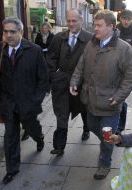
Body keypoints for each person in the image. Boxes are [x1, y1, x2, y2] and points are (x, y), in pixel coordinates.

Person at [70, 10, 132, 180]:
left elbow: (130, 77)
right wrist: (74, 82)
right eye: (94, 25)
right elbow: (80, 65)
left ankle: (104, 164)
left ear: (111, 27)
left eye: (99, 25)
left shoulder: (124, 49)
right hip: (90, 100)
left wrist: (119, 96)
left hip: (110, 103)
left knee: (106, 137)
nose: (95, 28)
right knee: (92, 126)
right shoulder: (91, 45)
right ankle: (113, 140)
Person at [0, 17, 48, 184]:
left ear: (21, 32)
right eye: (5, 31)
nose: (8, 35)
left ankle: (39, 137)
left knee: (32, 126)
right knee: (10, 137)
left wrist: (36, 100)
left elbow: (43, 79)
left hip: (28, 102)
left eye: (12, 32)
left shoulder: (34, 50)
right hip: (7, 102)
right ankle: (12, 169)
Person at [46, 9, 93, 156]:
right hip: (61, 83)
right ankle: (59, 146)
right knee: (62, 113)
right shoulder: (59, 38)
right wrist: (53, 75)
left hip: (81, 83)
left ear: (81, 20)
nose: (71, 24)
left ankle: (86, 128)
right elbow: (51, 58)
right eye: (68, 21)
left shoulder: (90, 39)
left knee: (83, 109)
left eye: (74, 21)